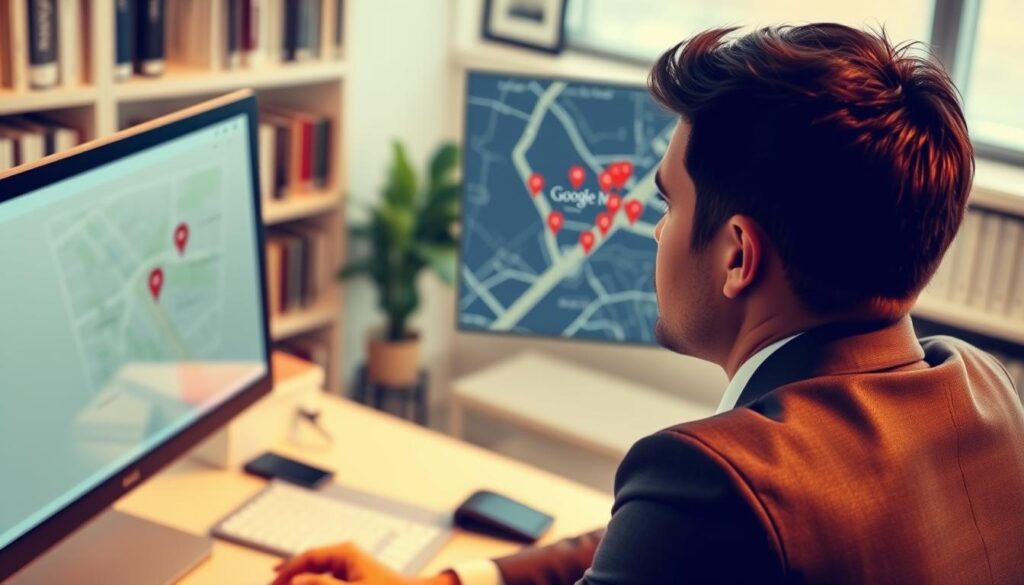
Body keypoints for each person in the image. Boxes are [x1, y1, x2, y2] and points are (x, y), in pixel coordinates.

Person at [271, 23, 1024, 585]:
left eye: (666, 202)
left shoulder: (719, 481)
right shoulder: (986, 393)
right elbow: (650, 546)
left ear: (737, 255)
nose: (655, 230)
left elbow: (690, 529)